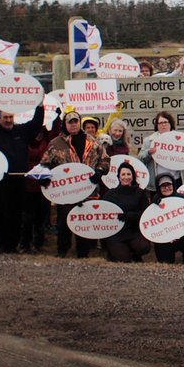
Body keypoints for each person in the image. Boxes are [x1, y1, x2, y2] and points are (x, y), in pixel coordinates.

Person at [0, 91, 45, 254]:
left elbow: (36, 124)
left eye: (10, 117)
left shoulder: (21, 131)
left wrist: (40, 105)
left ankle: (12, 244)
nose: (8, 120)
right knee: (0, 212)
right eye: (5, 117)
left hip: (18, 180)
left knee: (17, 213)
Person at [42, 109, 109, 259]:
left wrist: (99, 172)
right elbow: (45, 163)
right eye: (70, 122)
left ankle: (83, 252)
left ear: (79, 123)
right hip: (65, 191)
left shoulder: (93, 142)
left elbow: (105, 160)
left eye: (75, 122)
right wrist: (45, 177)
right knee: (64, 222)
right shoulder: (55, 143)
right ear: (65, 124)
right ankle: (62, 250)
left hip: (88, 190)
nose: (73, 125)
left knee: (84, 221)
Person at [101, 162, 151, 263]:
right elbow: (100, 210)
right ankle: (116, 252)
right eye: (123, 174)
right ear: (119, 177)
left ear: (132, 176)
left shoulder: (140, 193)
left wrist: (130, 216)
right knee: (124, 260)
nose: (126, 177)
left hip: (134, 231)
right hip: (116, 234)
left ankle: (135, 253)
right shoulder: (111, 194)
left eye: (128, 174)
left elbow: (146, 214)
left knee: (144, 247)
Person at [138, 111, 184, 191]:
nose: (163, 125)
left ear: (171, 124)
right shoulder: (149, 141)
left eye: (165, 122)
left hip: (177, 181)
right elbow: (140, 160)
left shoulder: (181, 140)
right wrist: (148, 152)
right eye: (160, 123)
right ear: (157, 125)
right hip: (157, 183)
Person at [151, 174, 184, 264]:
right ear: (158, 188)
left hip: (181, 233)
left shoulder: (183, 198)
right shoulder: (155, 201)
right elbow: (153, 223)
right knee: (166, 262)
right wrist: (167, 235)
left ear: (173, 185)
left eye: (169, 185)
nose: (166, 188)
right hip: (164, 236)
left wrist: (177, 233)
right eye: (163, 186)